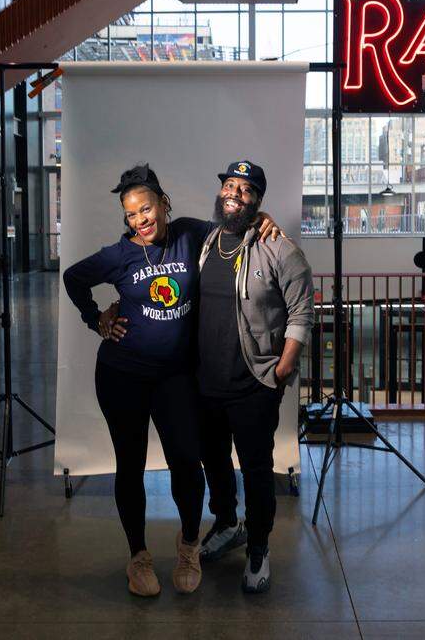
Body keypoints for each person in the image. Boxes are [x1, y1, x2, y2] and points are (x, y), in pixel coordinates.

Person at [62, 164, 281, 598]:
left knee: (186, 461)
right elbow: (73, 278)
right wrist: (97, 318)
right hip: (122, 375)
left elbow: (229, 221)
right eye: (131, 215)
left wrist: (260, 219)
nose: (140, 220)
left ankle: (187, 545)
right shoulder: (120, 255)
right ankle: (138, 556)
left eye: (146, 209)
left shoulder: (189, 233)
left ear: (163, 205)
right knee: (131, 465)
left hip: (176, 376)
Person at [195, 160, 314, 594]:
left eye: (245, 190)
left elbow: (302, 313)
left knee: (258, 470)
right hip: (206, 383)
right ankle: (227, 523)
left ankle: (259, 547)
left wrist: (281, 370)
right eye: (229, 185)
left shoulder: (282, 250)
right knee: (214, 462)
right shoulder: (205, 240)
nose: (234, 194)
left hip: (253, 384)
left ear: (258, 201)